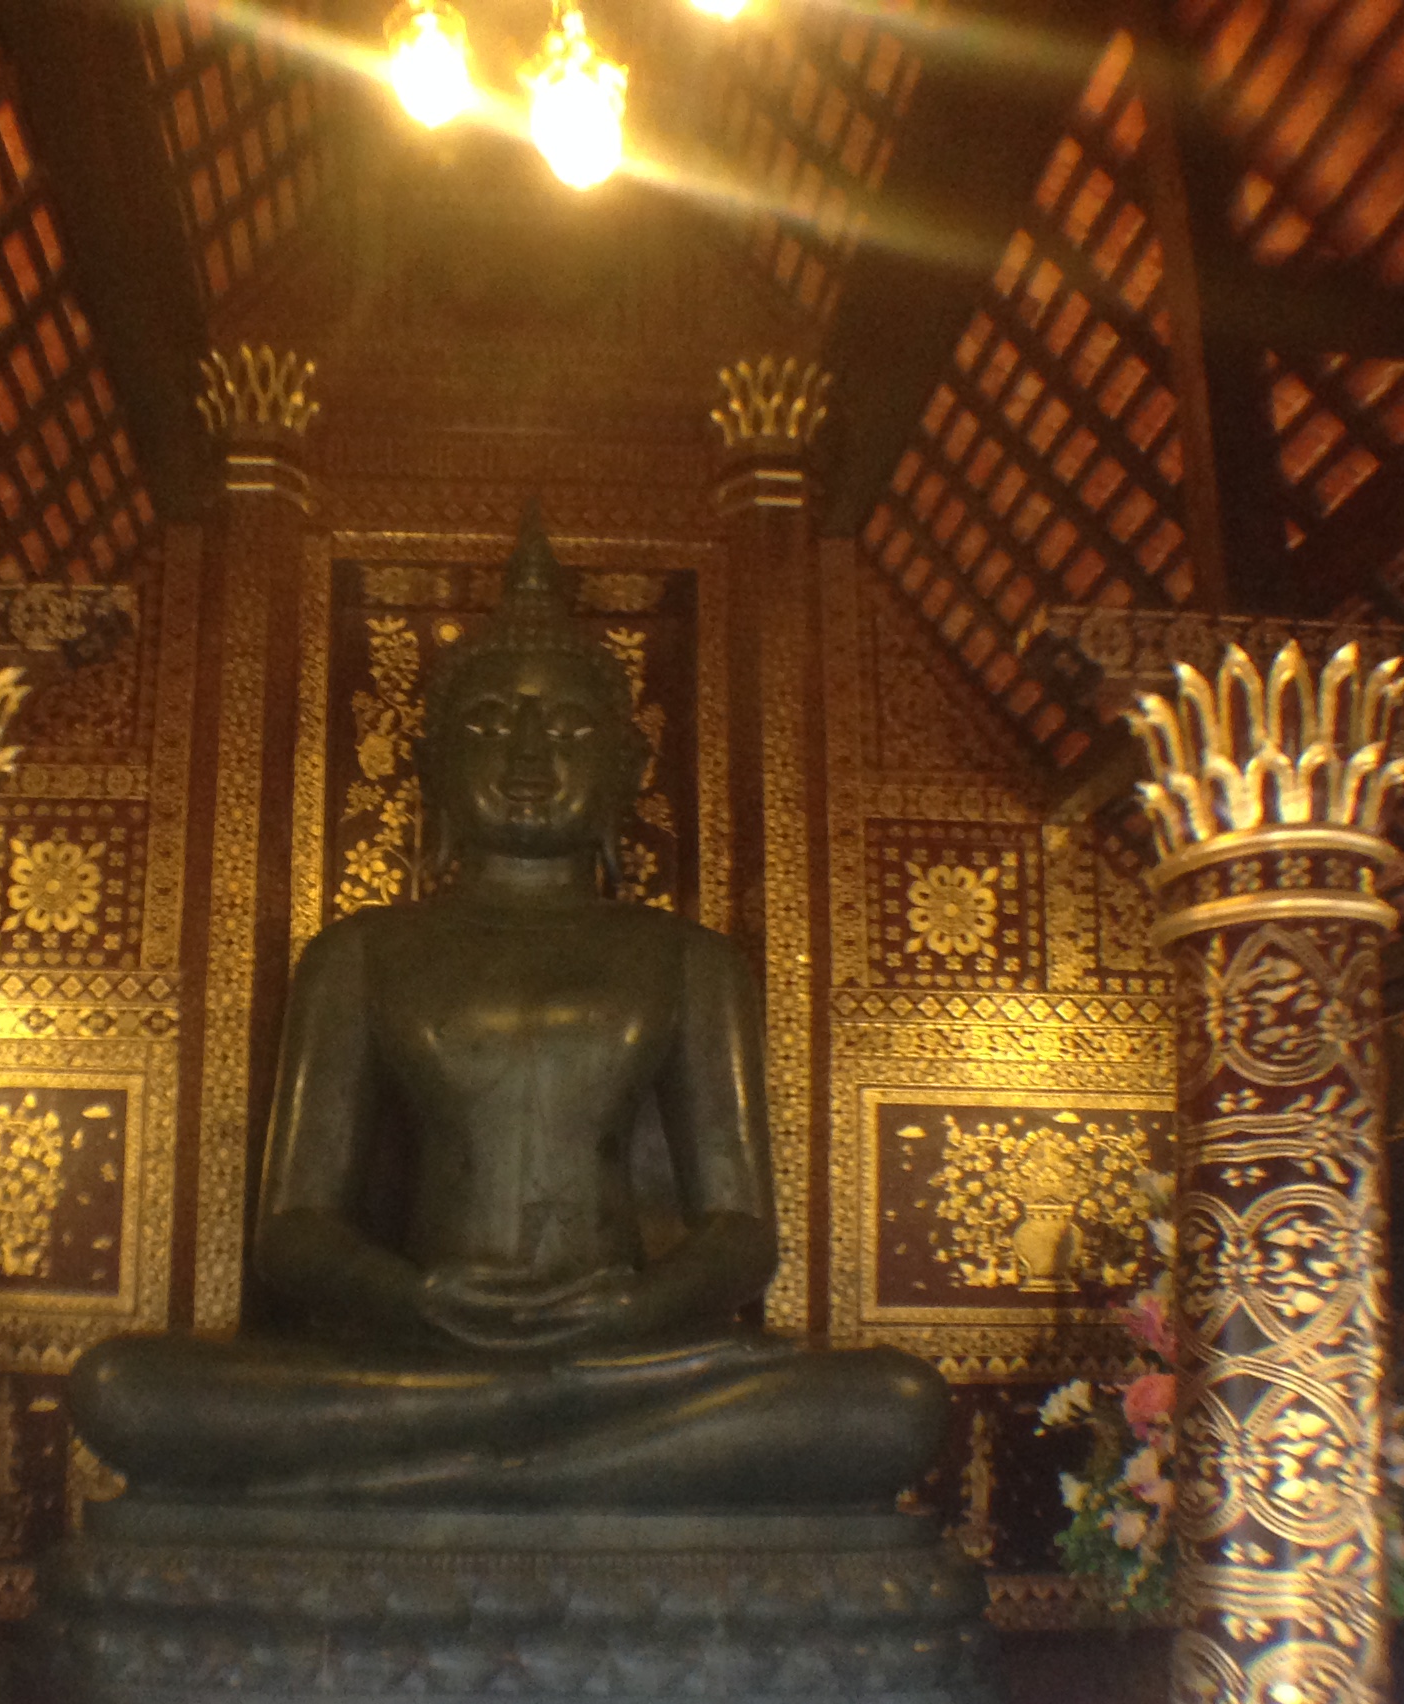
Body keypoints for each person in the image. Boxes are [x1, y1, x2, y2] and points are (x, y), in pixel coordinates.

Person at [68, 514, 945, 1512]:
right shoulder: (359, 954)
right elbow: (295, 1230)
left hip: (627, 1359)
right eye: (489, 726)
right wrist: (415, 1299)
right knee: (124, 1385)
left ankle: (455, 1471)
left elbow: (742, 1233)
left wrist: (636, 1309)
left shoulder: (691, 961)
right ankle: (555, 1467)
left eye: (568, 730)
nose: (529, 755)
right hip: (417, 1358)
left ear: (626, 765)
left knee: (893, 1404)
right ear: (431, 761)